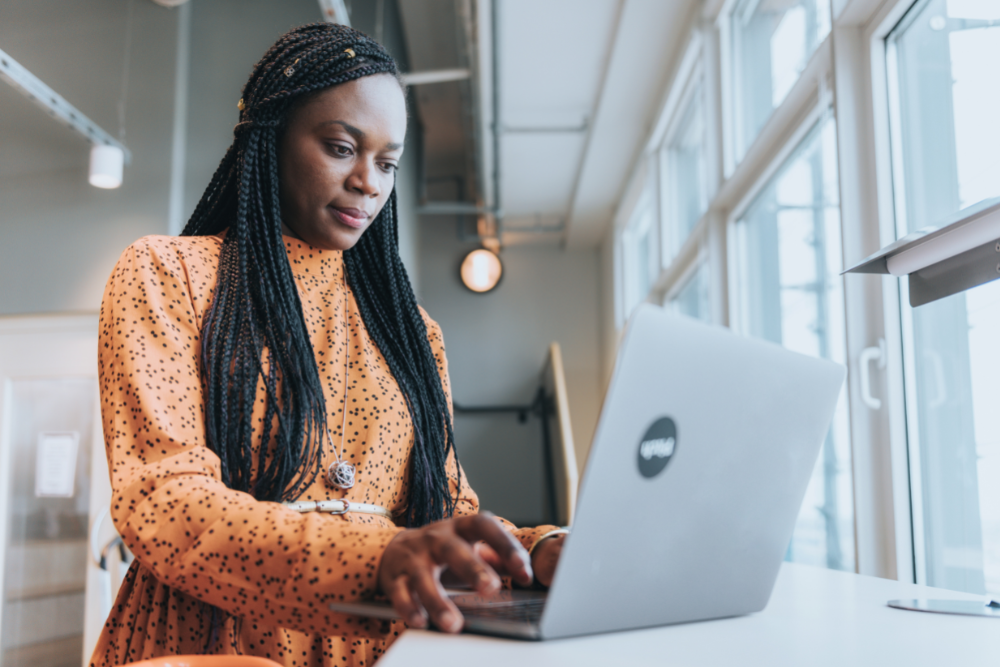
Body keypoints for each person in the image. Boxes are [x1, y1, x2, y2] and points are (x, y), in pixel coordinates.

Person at [91, 22, 565, 667]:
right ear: (271, 138)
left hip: (378, 649)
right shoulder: (168, 274)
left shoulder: (413, 332)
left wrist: (531, 549)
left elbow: (443, 512)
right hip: (209, 643)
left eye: (388, 163)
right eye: (342, 147)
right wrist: (375, 557)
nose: (369, 182)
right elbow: (164, 505)